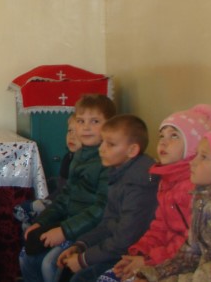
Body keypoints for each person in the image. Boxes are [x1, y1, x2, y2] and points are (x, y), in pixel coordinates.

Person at [102, 105, 211, 281]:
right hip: (160, 258)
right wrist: (139, 252)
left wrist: (148, 260)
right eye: (161, 136)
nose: (163, 142)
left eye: (174, 136)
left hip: (178, 265)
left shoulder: (192, 188)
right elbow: (159, 226)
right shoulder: (167, 179)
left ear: (194, 146)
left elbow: (189, 245)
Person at [20, 94, 116, 282]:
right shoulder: (78, 156)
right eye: (81, 121)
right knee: (27, 255)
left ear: (110, 126)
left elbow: (101, 209)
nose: (86, 127)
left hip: (91, 230)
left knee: (50, 263)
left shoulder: (108, 161)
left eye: (95, 121)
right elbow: (65, 197)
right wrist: (42, 221)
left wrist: (64, 231)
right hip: (71, 223)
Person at [134, 129, 211, 281]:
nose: (192, 162)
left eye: (204, 157)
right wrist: (153, 274)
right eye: (196, 154)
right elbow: (191, 252)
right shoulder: (203, 196)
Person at [56, 114, 159, 281]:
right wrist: (81, 245)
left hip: (132, 253)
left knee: (79, 277)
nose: (101, 149)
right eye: (102, 141)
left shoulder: (139, 183)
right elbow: (108, 222)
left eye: (110, 144)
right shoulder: (119, 170)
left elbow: (126, 238)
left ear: (132, 150)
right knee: (63, 269)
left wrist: (84, 259)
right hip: (116, 247)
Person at [15, 114, 81, 232]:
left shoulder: (85, 164)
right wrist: (47, 200)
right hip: (59, 199)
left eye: (78, 133)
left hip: (68, 207)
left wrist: (50, 205)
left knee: (37, 219)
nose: (72, 136)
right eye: (70, 131)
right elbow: (61, 188)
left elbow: (71, 196)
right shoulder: (68, 158)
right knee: (21, 209)